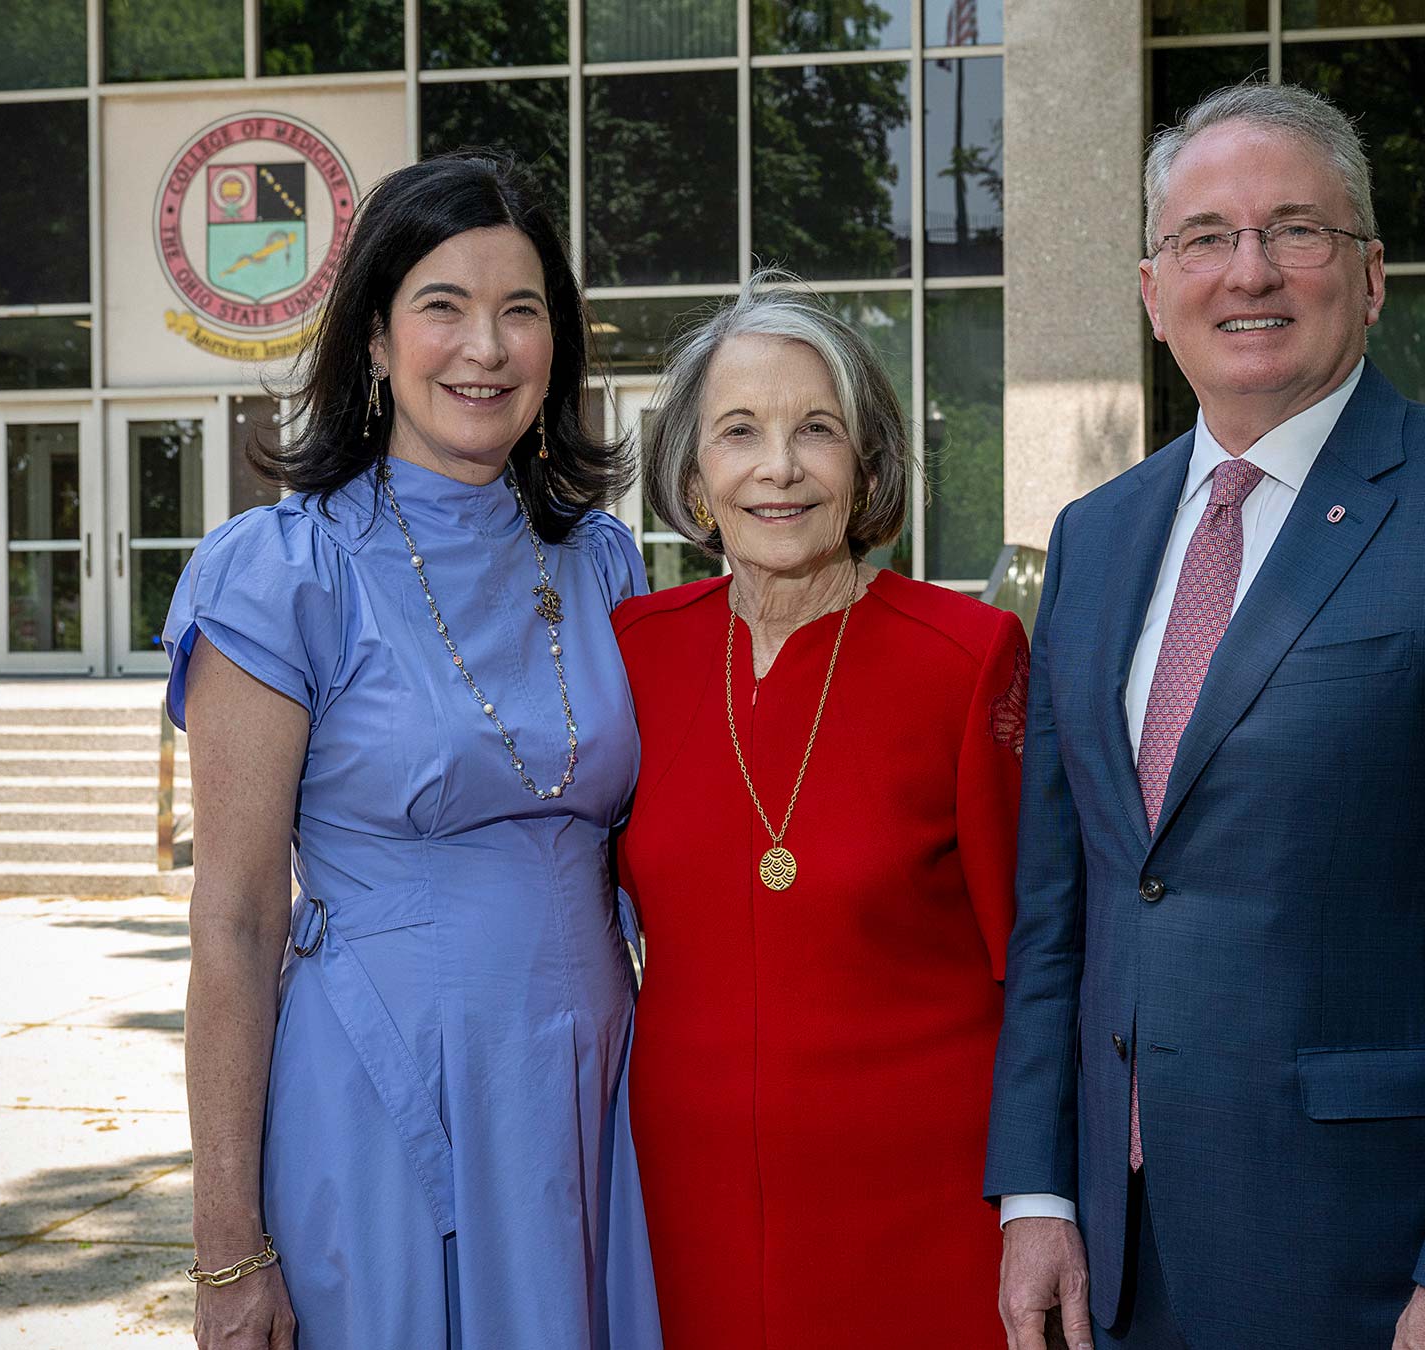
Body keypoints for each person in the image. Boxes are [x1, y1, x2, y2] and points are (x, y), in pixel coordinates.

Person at [986, 82, 1425, 1350]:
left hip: (1381, 1266)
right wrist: (1037, 1188)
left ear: (1372, 273)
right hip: (1122, 1265)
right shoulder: (1096, 538)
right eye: (1204, 238)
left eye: (1296, 228)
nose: (1251, 270)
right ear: (1150, 287)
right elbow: (1062, 908)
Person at [162, 153, 660, 1350]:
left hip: (591, 1093)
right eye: (443, 305)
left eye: (521, 309)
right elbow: (233, 920)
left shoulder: (603, 565)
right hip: (383, 1097)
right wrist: (226, 1246)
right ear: (376, 342)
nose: (485, 346)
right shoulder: (283, 572)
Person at [613, 273, 1027, 1349]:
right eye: (739, 431)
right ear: (694, 472)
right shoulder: (632, 653)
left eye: (818, 431)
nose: (779, 467)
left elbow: (1038, 967)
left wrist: (1041, 1203)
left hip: (928, 1209)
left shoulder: (968, 658)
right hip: (682, 1199)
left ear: (870, 463)